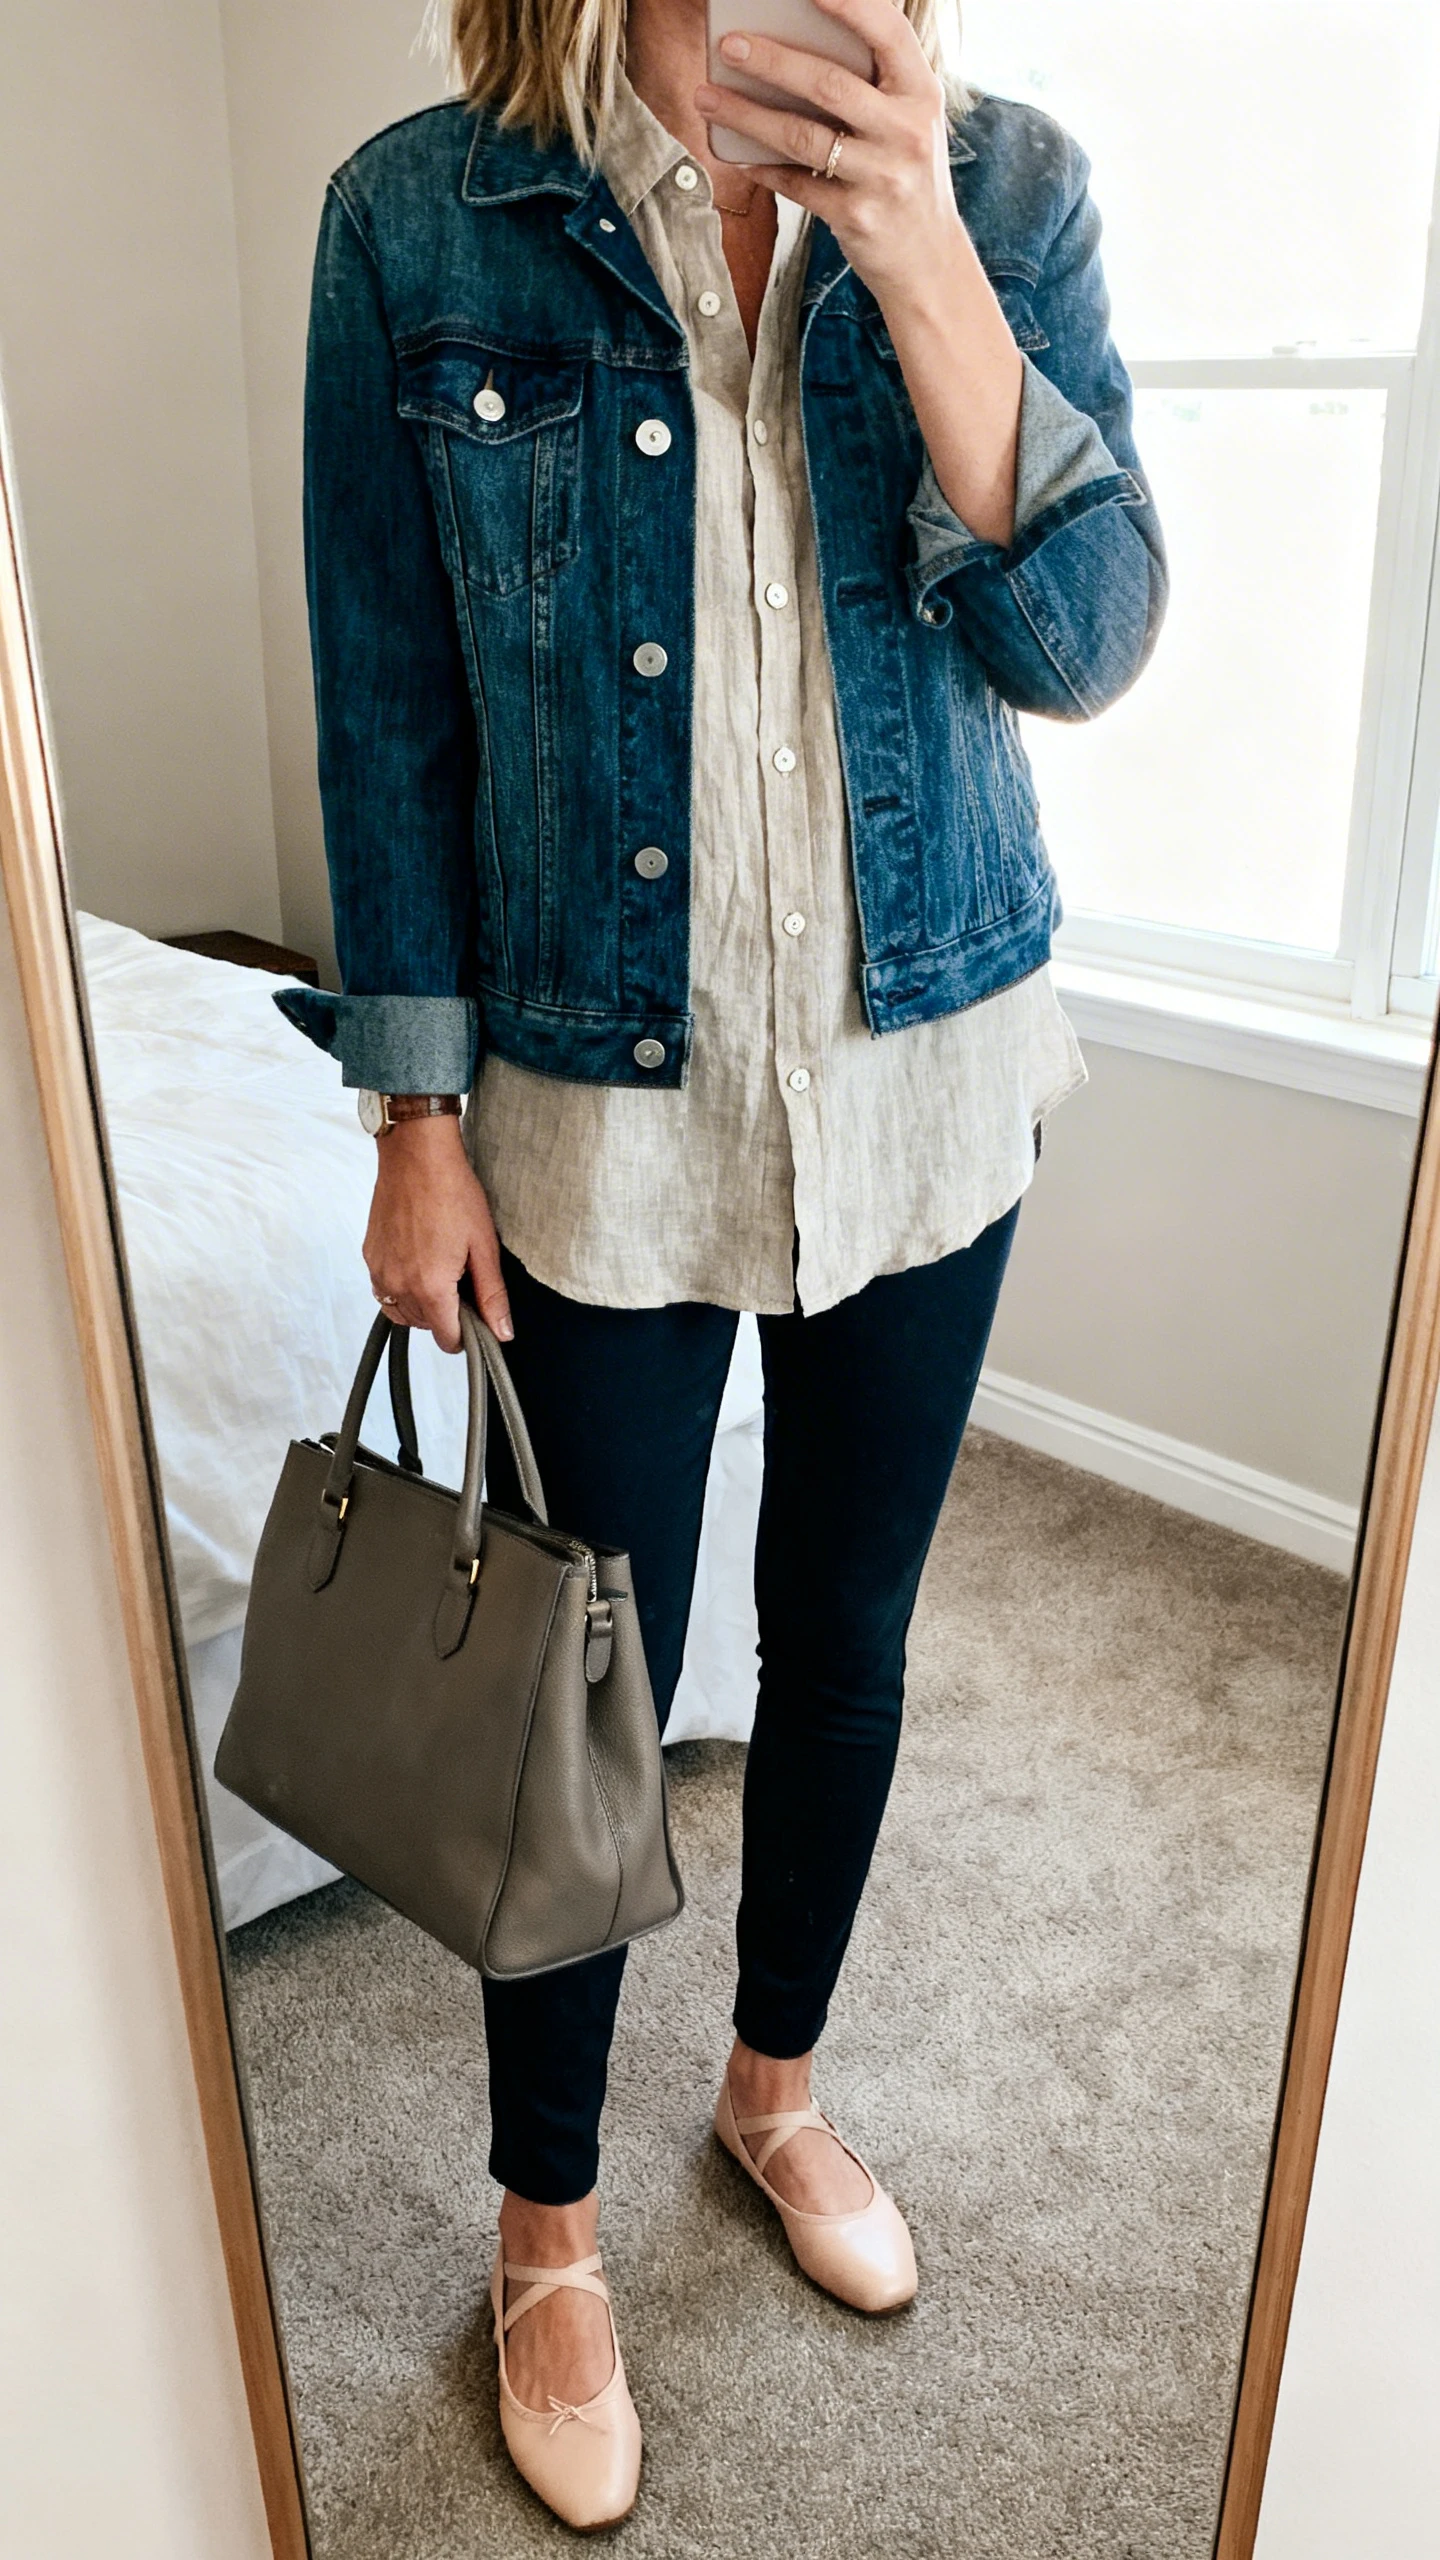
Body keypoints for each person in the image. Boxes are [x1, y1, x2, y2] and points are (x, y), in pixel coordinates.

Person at [282, 0, 1166, 2524]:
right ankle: (545, 2226)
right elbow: (392, 719)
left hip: (931, 1070)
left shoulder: (1005, 186)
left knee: (851, 1637)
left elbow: (1089, 644)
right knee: (589, 1691)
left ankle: (775, 2085)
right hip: (595, 1106)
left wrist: (920, 265)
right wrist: (416, 1117)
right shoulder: (417, 217)